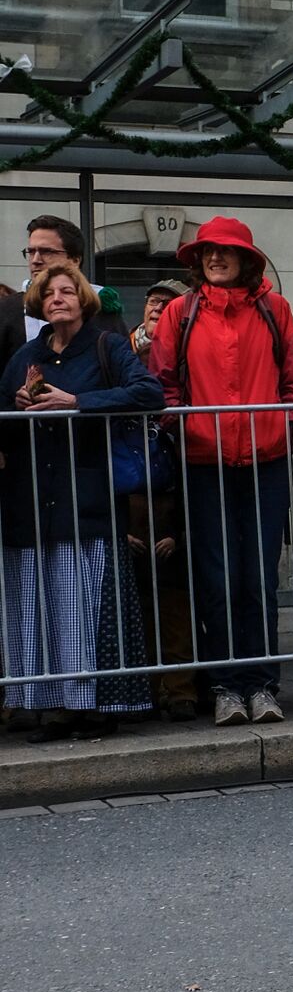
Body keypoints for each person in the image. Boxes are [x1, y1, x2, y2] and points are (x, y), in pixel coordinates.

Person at [148, 217, 293, 727]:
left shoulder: (275, 309)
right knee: (216, 579)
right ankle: (225, 687)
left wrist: (285, 424)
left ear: (245, 259)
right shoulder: (180, 312)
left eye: (226, 251)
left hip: (265, 462)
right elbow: (163, 383)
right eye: (207, 251)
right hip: (204, 463)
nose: (215, 257)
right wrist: (182, 426)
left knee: (258, 577)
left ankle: (262, 684)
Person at [0, 262, 161, 733]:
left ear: (83, 299)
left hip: (87, 495)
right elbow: (3, 405)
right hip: (34, 497)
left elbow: (149, 392)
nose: (58, 299)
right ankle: (55, 704)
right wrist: (17, 405)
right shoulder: (27, 354)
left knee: (85, 607)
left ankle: (95, 706)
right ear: (39, 303)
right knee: (43, 606)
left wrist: (79, 403)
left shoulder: (107, 345)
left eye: (67, 291)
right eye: (50, 293)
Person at [0, 216, 90, 370]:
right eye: (31, 252)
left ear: (75, 260)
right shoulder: (6, 310)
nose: (35, 260)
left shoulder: (100, 310)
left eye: (47, 252)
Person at [131, 280, 184, 358]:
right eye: (153, 301)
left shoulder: (190, 353)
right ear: (145, 307)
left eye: (169, 304)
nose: (158, 308)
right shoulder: (123, 344)